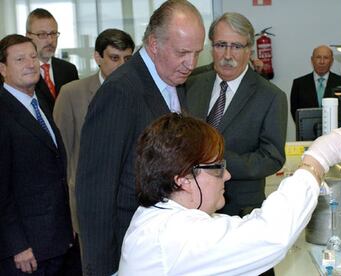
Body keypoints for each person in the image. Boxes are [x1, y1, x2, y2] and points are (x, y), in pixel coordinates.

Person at [117, 113, 341, 275]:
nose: (227, 176)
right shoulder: (172, 236)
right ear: (183, 180)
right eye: (218, 168)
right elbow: (271, 235)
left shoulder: (162, 216)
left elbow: (245, 230)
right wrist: (316, 161)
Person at [75, 1, 205, 275]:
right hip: (129, 253)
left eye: (197, 53)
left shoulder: (172, 80)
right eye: (182, 52)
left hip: (166, 248)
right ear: (153, 44)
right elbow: (95, 192)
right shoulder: (120, 92)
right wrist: (102, 269)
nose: (191, 64)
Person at [187, 12, 287, 220]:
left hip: (239, 209)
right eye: (221, 45)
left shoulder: (271, 96)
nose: (227, 55)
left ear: (249, 50)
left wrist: (215, 163)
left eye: (236, 46)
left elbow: (272, 158)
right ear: (211, 46)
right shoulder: (191, 84)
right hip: (189, 206)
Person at [52, 28, 135, 274]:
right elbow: (61, 154)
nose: (121, 65)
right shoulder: (72, 93)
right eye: (114, 58)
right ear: (97, 58)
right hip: (88, 203)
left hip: (128, 200)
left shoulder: (137, 91)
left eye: (127, 59)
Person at [0, 34, 73, 275]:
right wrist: (17, 245)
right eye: (20, 59)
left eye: (32, 56)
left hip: (56, 240)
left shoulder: (39, 101)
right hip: (26, 252)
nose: (31, 63)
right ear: (2, 69)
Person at [26, 8, 79, 114]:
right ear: (28, 37)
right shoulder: (23, 71)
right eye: (42, 34)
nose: (50, 40)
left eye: (53, 33)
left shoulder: (69, 70)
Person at [290, 45, 341, 122]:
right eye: (318, 57)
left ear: (331, 61)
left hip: (334, 130)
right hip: (307, 131)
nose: (322, 61)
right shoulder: (299, 83)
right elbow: (295, 111)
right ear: (312, 60)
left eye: (326, 58)